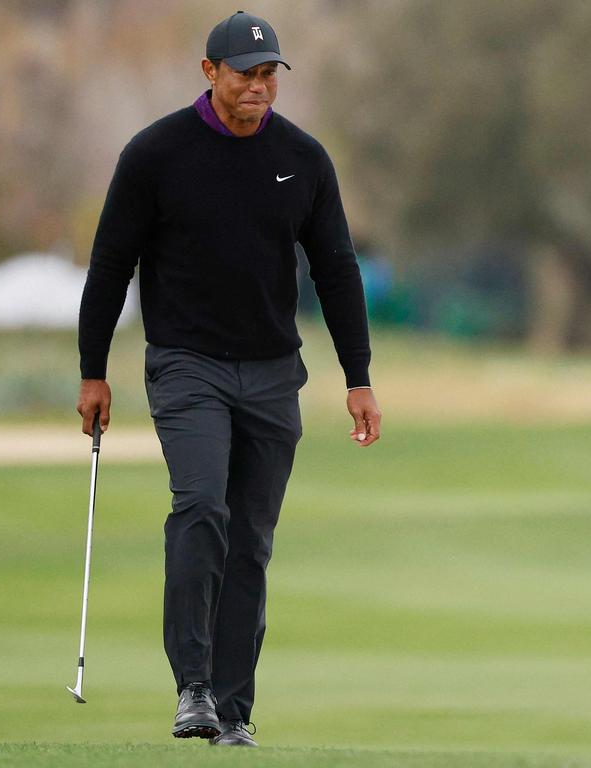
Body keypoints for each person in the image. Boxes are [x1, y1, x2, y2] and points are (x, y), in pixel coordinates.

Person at [76, 10, 381, 748]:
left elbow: (337, 270)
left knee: (251, 542)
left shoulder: (303, 159)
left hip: (274, 371)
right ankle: (193, 687)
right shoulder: (156, 155)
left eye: (271, 72)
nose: (260, 85)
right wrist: (92, 371)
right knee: (201, 508)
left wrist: (358, 376)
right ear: (209, 73)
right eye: (246, 73)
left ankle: (235, 713)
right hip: (186, 364)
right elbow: (111, 264)